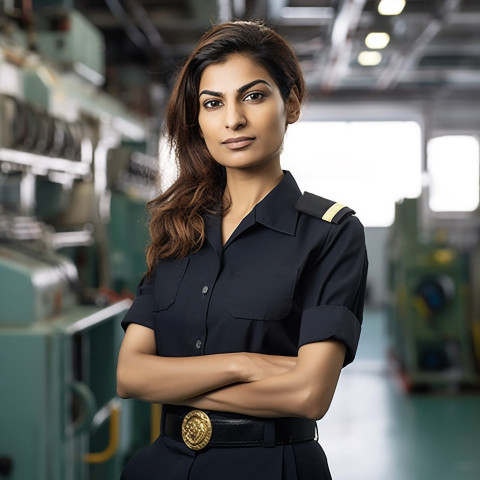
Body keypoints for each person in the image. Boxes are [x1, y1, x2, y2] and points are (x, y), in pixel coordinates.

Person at [117, 20, 368, 480]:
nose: (232, 120)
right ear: (198, 119)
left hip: (272, 466)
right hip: (162, 466)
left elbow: (309, 395)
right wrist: (245, 364)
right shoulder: (178, 228)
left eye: (253, 96)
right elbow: (131, 375)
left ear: (290, 103)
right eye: (213, 104)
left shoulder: (331, 233)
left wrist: (173, 383)